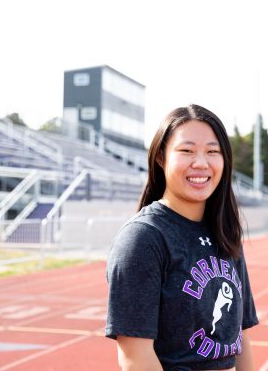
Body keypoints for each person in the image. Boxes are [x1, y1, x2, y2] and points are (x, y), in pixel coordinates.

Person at [105, 104, 259, 370]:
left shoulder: (225, 231)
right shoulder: (144, 238)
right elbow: (135, 356)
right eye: (186, 151)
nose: (201, 163)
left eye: (213, 151)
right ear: (161, 158)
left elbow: (240, 337)